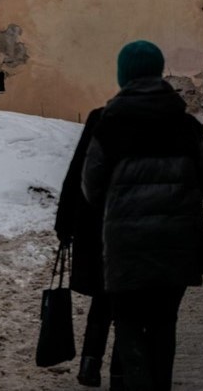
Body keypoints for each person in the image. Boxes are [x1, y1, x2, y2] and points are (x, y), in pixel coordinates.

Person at [82, 40, 203, 391]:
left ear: (123, 75)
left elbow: (91, 186)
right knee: (163, 325)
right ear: (159, 73)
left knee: (127, 325)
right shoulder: (184, 125)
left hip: (125, 246)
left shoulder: (109, 124)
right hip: (177, 245)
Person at [54, 107, 123, 389]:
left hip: (100, 224)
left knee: (103, 298)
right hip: (133, 228)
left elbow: (78, 171)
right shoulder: (164, 121)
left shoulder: (102, 118)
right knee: (129, 303)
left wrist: (65, 222)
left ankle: (90, 364)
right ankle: (119, 373)